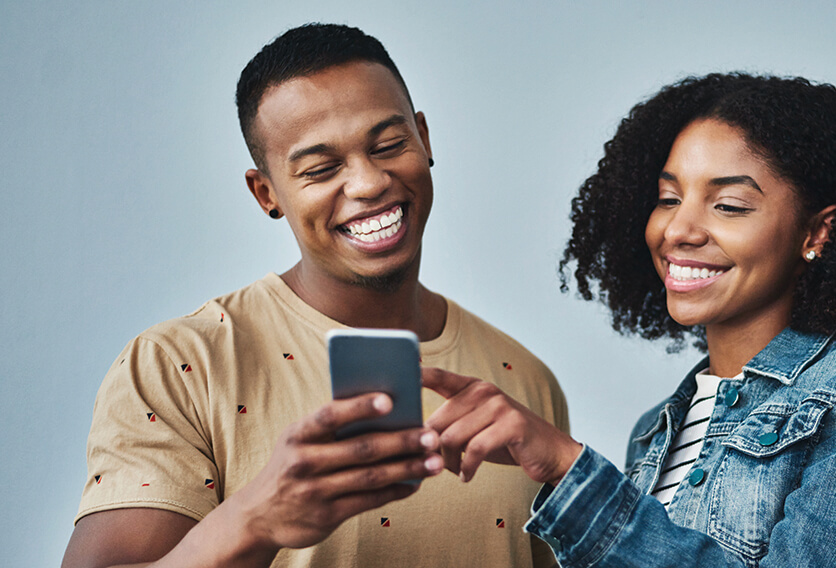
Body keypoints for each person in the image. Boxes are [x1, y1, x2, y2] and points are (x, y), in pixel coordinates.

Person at [62, 24, 568, 568]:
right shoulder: (180, 365)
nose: (369, 182)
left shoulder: (526, 381)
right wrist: (254, 518)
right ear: (267, 193)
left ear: (425, 139)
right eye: (321, 169)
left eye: (390, 145)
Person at [421, 73, 836, 567]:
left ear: (817, 233)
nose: (678, 230)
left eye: (728, 205)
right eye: (668, 198)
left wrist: (570, 470)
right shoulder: (653, 431)